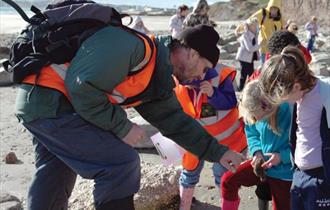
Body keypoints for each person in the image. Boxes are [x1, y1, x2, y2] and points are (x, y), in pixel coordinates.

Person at [16, 24, 246, 210]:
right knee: (120, 163)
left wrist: (220, 152)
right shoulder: (133, 48)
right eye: (205, 68)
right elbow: (82, 87)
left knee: (55, 172)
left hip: (42, 103)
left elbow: (176, 123)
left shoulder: (157, 77)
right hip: (50, 102)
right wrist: (122, 126)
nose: (201, 76)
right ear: (193, 54)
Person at [259, 46, 330, 210]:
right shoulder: (301, 96)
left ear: (296, 86)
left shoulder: (324, 94)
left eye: (283, 97)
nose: (283, 102)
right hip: (299, 174)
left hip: (321, 179)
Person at [174, 60, 247, 209]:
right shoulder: (176, 79)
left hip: (224, 142)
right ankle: (184, 206)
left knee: (223, 176)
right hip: (194, 140)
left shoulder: (220, 74)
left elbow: (231, 102)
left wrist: (213, 93)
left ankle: (227, 206)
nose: (187, 82)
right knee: (189, 174)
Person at [221, 80, 293, 210]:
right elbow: (251, 132)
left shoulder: (288, 109)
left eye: (255, 116)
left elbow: (304, 146)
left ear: (267, 106)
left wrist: (282, 157)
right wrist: (256, 152)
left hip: (285, 172)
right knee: (228, 180)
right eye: (251, 116)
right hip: (263, 163)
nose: (254, 119)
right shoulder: (253, 111)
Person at [237, 0, 284, 65]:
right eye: (271, 8)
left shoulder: (279, 17)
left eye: (275, 9)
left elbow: (284, 29)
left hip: (275, 49)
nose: (273, 10)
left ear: (278, 9)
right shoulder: (263, 13)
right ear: (269, 7)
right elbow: (250, 20)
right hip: (264, 47)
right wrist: (239, 28)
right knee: (263, 68)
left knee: (275, 68)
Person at [235, 18, 260, 91]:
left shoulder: (254, 35)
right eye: (253, 26)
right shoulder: (245, 35)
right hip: (244, 58)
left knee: (251, 73)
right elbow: (250, 48)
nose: (255, 27)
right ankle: (240, 88)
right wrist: (259, 45)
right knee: (244, 74)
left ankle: (250, 88)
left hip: (250, 58)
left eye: (256, 26)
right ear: (249, 26)